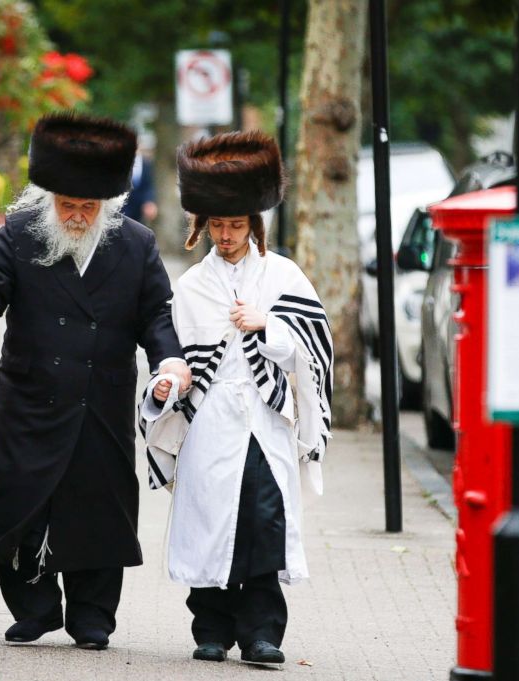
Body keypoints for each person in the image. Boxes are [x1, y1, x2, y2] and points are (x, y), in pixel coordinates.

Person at [0, 111, 190, 650]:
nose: (77, 216)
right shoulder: (20, 233)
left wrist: (169, 361)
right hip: (31, 397)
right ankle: (34, 609)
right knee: (21, 501)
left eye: (88, 207)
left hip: (99, 399)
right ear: (48, 197)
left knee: (99, 505)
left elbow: (156, 314)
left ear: (108, 204)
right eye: (67, 205)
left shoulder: (137, 244)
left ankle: (92, 616)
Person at [139, 130, 333, 665]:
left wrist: (268, 324)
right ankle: (211, 630)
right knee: (208, 521)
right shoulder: (192, 286)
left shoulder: (283, 275)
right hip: (209, 421)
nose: (226, 235)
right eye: (218, 226)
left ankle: (263, 634)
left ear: (255, 225)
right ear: (203, 226)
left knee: (263, 520)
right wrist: (164, 385)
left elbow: (315, 350)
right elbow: (172, 356)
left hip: (266, 420)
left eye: (236, 225)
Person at [122, 151, 157, 224]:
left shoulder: (146, 164)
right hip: (120, 210)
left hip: (138, 212)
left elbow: (148, 186)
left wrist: (149, 202)